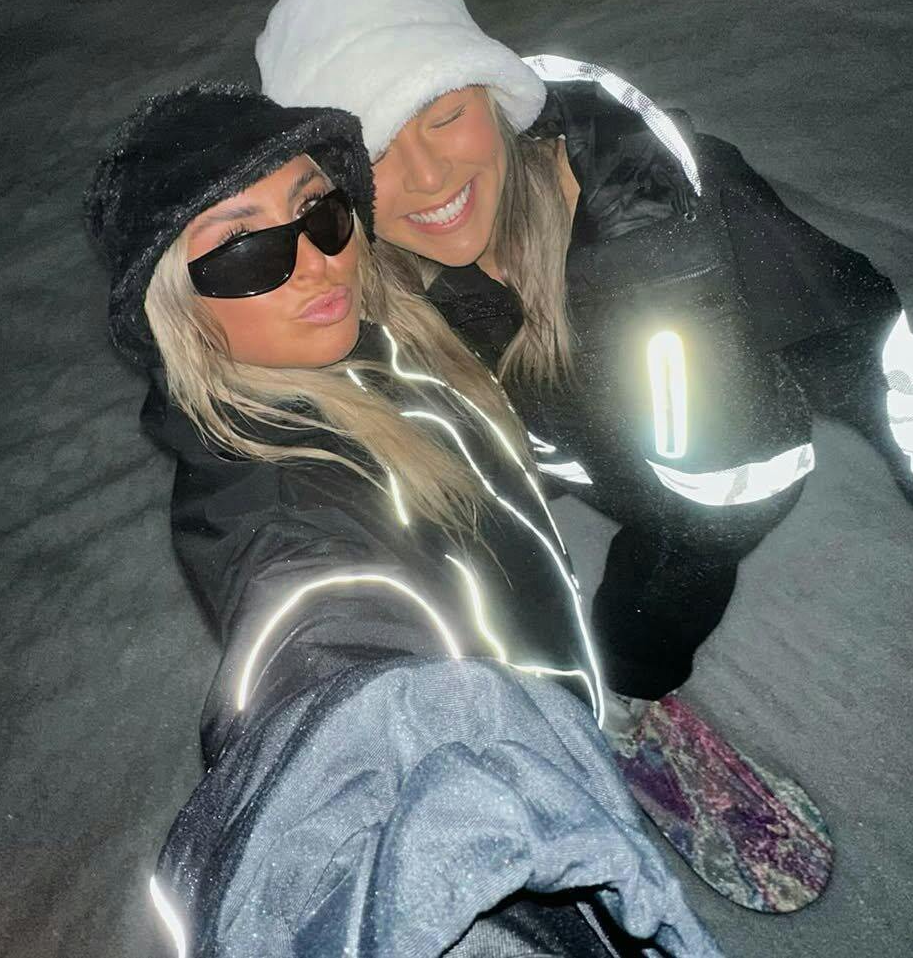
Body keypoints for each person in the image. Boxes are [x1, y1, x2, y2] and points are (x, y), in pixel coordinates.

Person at [84, 82, 721, 958]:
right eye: (242, 249)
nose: (316, 263)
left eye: (319, 211)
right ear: (176, 310)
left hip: (542, 670)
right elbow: (340, 725)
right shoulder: (284, 514)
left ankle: (595, 718)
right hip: (496, 751)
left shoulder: (380, 331)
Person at [256, 0, 913, 712]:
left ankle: (635, 691)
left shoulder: (677, 220)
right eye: (378, 152)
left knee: (644, 623)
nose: (428, 176)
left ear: (496, 97)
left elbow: (839, 321)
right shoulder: (368, 291)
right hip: (582, 451)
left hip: (715, 491)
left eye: (444, 115)